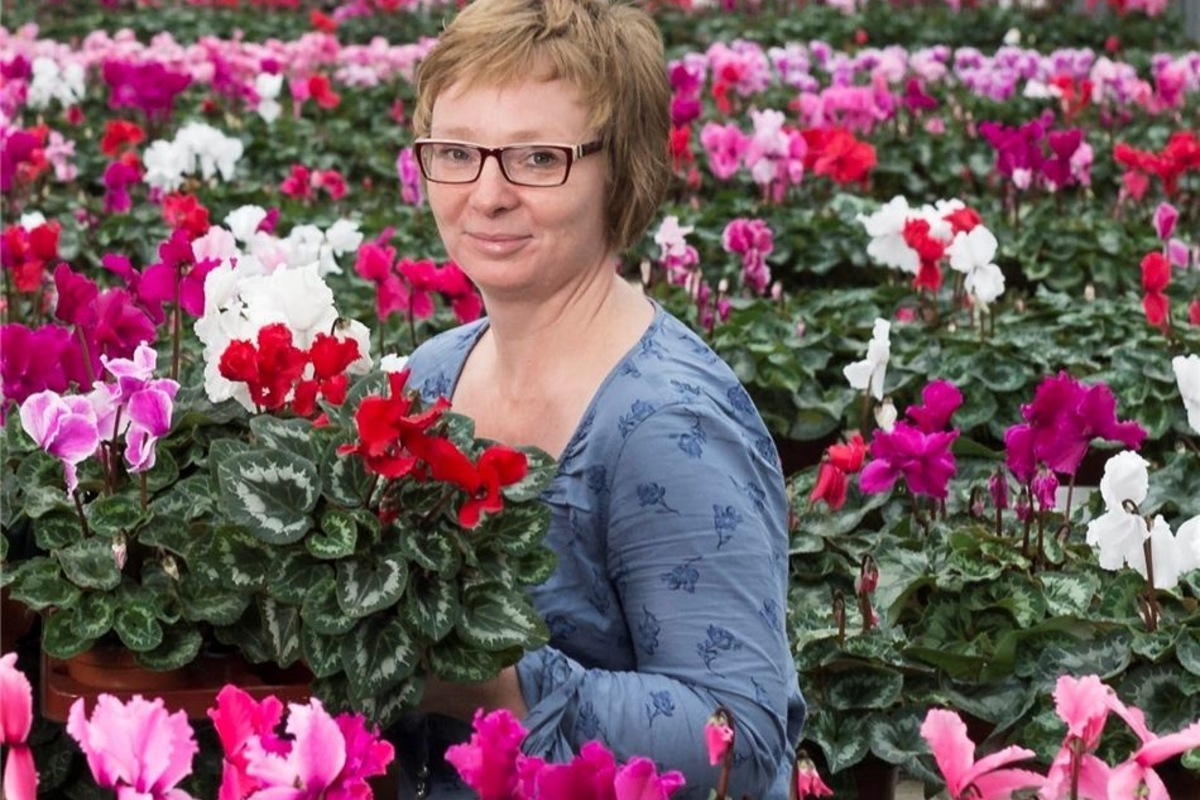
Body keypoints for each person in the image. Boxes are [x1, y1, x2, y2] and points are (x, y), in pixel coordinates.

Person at [393, 0, 806, 796]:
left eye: (538, 158)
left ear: (623, 167)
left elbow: (742, 742)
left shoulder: (666, 421)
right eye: (456, 152)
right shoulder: (430, 378)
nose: (487, 194)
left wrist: (493, 687)